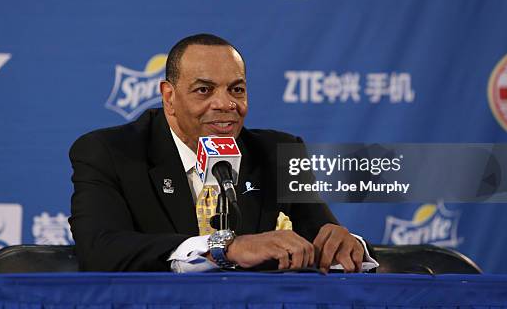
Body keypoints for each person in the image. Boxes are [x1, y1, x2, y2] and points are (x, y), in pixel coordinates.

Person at [69, 34, 377, 272]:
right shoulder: (110, 152)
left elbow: (322, 233)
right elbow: (101, 249)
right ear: (169, 97)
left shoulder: (278, 154)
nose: (226, 104)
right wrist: (224, 247)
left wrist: (347, 244)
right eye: (204, 90)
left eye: (237, 89)